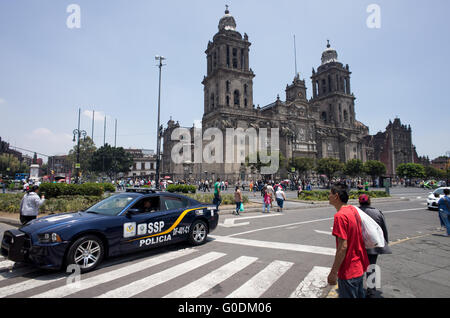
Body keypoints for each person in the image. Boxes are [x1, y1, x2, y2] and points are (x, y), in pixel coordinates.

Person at [327, 182, 369, 298]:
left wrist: (333, 272)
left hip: (348, 271)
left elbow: (343, 247)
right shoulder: (352, 209)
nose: (328, 196)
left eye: (330, 194)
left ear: (336, 196)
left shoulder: (340, 216)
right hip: (359, 266)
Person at [358, 194, 392, 297]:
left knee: (358, 267)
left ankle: (357, 288)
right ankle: (371, 291)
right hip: (373, 245)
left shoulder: (355, 212)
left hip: (359, 245)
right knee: (371, 267)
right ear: (369, 201)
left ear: (360, 202)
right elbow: (383, 229)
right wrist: (385, 242)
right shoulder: (377, 213)